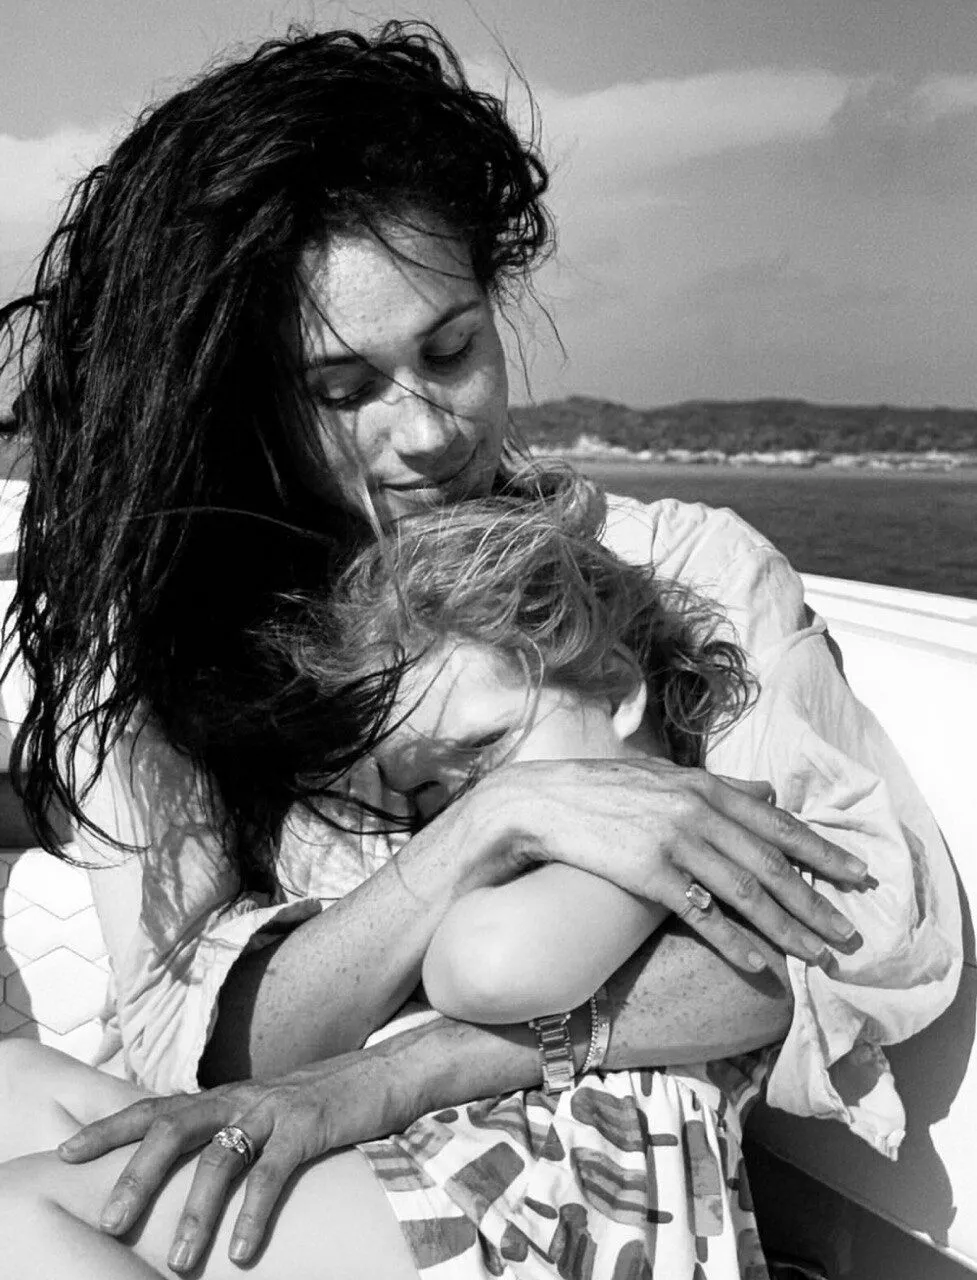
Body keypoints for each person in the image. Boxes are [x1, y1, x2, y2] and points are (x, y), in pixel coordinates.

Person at [0, 18, 960, 1279]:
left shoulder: (669, 575)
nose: (427, 430)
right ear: (247, 402)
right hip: (324, 1156)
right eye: (342, 389)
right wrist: (492, 822)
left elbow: (869, 938)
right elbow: (200, 1031)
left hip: (533, 1176)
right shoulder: (181, 638)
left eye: (451, 349)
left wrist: (405, 1070)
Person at [0, 471, 958, 1277]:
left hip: (556, 1202)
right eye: (432, 792)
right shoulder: (577, 827)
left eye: (483, 751)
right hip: (468, 1172)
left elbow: (485, 966)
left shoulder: (649, 824)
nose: (464, 805)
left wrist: (511, 819)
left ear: (618, 689)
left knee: (19, 1217)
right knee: (15, 1086)